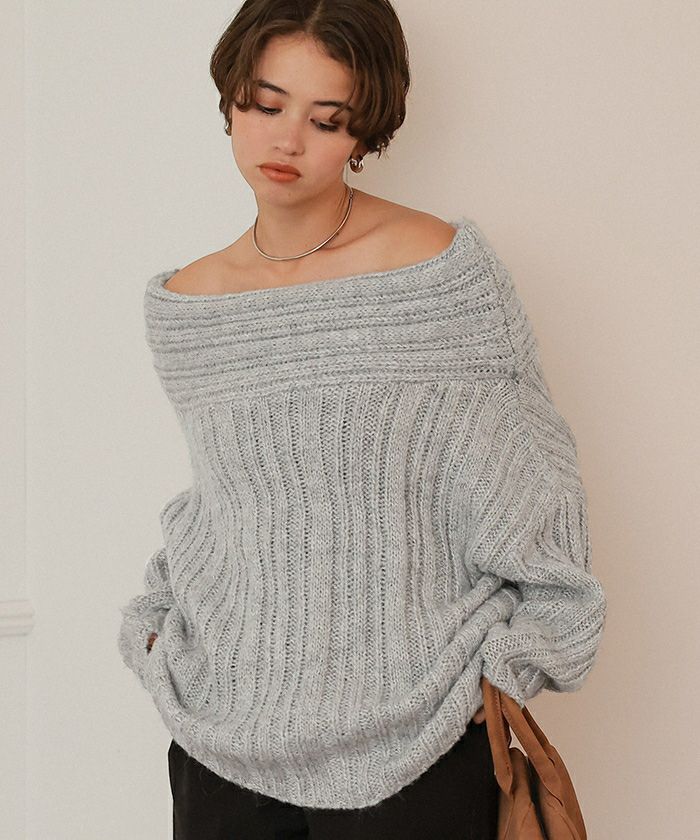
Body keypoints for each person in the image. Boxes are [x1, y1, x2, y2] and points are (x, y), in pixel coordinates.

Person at [117, 2, 607, 838]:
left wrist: (511, 663)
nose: (287, 141)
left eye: (326, 118)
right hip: (221, 741)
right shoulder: (187, 305)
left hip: (418, 745)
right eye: (266, 104)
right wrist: (162, 631)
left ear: (364, 130)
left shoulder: (440, 275)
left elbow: (534, 481)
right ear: (231, 97)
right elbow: (228, 500)